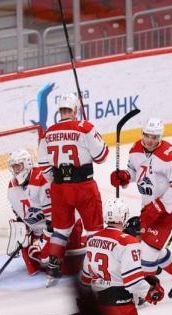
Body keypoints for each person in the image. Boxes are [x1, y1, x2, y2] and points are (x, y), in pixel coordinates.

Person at [110, 118, 172, 300]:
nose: (149, 140)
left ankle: (144, 292)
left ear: (160, 137)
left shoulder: (169, 156)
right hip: (148, 206)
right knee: (149, 245)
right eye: (147, 135)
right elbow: (134, 171)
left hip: (168, 210)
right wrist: (124, 176)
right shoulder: (135, 149)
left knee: (147, 255)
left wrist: (158, 207)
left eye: (154, 137)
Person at [37, 92, 109, 278]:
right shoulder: (85, 127)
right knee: (94, 228)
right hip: (84, 186)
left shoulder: (48, 132)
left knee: (61, 229)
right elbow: (102, 156)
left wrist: (58, 181)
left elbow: (44, 166)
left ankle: (53, 265)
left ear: (60, 111)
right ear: (75, 110)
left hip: (59, 188)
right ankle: (95, 267)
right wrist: (93, 136)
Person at [6, 148, 85, 276]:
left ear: (27, 164)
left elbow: (55, 218)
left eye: (18, 166)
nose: (15, 171)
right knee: (34, 258)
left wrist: (44, 241)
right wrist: (21, 232)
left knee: (62, 266)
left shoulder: (42, 179)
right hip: (43, 230)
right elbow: (20, 215)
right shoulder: (11, 187)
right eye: (13, 167)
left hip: (64, 226)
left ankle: (85, 242)